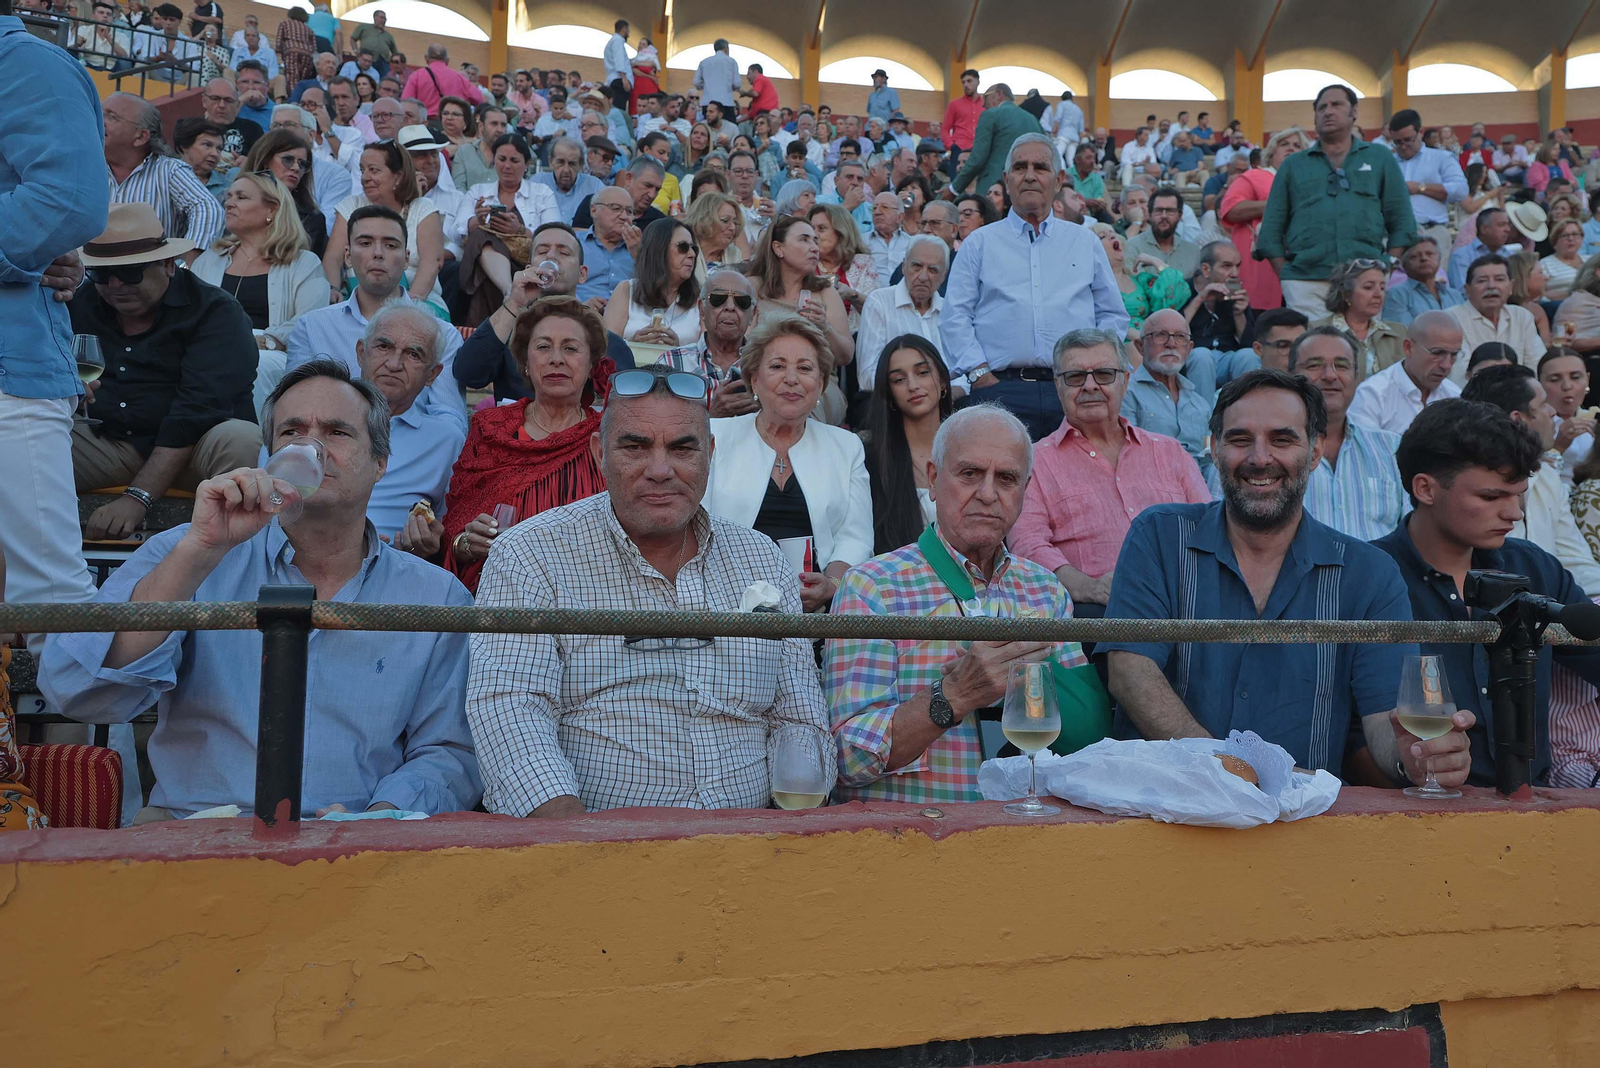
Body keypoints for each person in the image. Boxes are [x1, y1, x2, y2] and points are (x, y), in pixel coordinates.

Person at [41, 360, 481, 819]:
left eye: (337, 432)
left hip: (360, 850)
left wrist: (381, 817)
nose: (312, 447)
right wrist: (200, 550)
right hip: (197, 840)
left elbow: (449, 749)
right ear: (269, 456)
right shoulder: (190, 549)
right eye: (292, 431)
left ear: (380, 464)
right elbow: (77, 689)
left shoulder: (436, 595)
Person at [466, 362, 832, 815]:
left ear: (710, 453)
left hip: (753, 850)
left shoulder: (761, 557)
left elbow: (800, 719)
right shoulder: (529, 554)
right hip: (597, 855)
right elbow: (510, 712)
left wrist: (785, 840)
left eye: (682, 448)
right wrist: (573, 846)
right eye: (635, 447)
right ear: (599, 451)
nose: (660, 470)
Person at [1102, 369, 1445, 780]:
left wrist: (1420, 758)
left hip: (1302, 829)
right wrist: (1226, 771)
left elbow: (1384, 724)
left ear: (1316, 451)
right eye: (1240, 439)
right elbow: (1129, 671)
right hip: (1162, 815)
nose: (1260, 458)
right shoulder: (1159, 535)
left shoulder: (1369, 573)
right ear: (1213, 449)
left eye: (1282, 439)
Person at [827, 404, 1089, 803]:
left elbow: (1082, 738)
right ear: (932, 479)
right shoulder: (871, 588)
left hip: (1024, 838)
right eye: (969, 474)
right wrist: (954, 696)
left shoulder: (1046, 590)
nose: (987, 494)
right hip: (912, 842)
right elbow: (842, 760)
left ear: (1025, 489)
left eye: (1006, 478)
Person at [1373, 398, 1600, 788]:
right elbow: (1348, 739)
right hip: (1414, 821)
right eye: (1491, 497)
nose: (1515, 513)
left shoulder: (1535, 567)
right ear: (1425, 488)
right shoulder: (1370, 578)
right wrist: (1406, 765)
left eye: (1519, 494)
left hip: (1534, 814)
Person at [0, 2, 110, 639]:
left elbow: (66, 200)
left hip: (9, 377)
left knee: (51, 608)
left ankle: (107, 744)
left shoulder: (22, 63)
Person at [68, 204, 260, 540]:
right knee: (21, 437)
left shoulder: (216, 312)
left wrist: (137, 497)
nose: (115, 285)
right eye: (100, 274)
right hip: (108, 439)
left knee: (241, 438)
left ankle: (233, 560)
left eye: (130, 272)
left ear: (168, 265)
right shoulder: (82, 302)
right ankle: (31, 567)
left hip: (196, 452)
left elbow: (196, 413)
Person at [1011, 328, 1208, 615]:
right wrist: (1087, 587)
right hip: (1095, 612)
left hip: (1186, 605)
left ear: (1125, 381)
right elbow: (1027, 545)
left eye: (1104, 374)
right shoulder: (1033, 462)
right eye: (1075, 377)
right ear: (1058, 386)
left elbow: (1210, 528)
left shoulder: (1171, 452)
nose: (1090, 386)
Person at [944, 135, 1127, 441]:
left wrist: (1095, 371)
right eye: (1020, 167)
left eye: (1040, 167)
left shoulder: (1084, 242)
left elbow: (1112, 315)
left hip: (1076, 390)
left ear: (1058, 179)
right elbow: (955, 317)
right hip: (999, 390)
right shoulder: (979, 243)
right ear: (1006, 179)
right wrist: (979, 375)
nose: (1029, 175)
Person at [704, 314, 871, 611]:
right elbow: (694, 524)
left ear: (820, 385)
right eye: (778, 366)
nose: (791, 379)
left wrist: (831, 584)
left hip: (813, 618)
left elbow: (855, 536)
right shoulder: (716, 434)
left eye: (805, 369)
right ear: (754, 379)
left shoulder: (846, 447)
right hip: (722, 608)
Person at [444, 295, 610, 592]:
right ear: (526, 364)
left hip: (589, 595)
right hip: (498, 592)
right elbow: (456, 534)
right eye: (543, 347)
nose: (556, 358)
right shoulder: (490, 429)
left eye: (570, 348)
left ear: (591, 365)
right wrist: (467, 543)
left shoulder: (609, 436)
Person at [1256, 85, 1417, 320]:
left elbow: (1402, 219)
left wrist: (1388, 266)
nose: (1328, 112)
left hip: (1365, 280)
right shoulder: (1293, 165)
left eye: (1336, 105)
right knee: (1312, 354)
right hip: (1305, 282)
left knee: (1362, 353)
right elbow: (1271, 229)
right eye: (1321, 107)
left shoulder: (1379, 158)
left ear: (1354, 112)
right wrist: (1287, 276)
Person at [288, 204, 463, 417]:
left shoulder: (442, 335)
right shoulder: (312, 326)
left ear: (407, 258)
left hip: (415, 446)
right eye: (365, 243)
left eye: (390, 245)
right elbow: (295, 406)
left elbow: (449, 419)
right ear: (348, 256)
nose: (378, 253)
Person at [192, 171, 328, 416]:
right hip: (213, 351)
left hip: (272, 354)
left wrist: (267, 341)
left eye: (241, 197)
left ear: (272, 210)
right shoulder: (209, 259)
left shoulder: (304, 263)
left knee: (255, 364)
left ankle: (257, 446)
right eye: (229, 196)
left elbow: (311, 319)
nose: (229, 202)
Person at [1460, 364, 1600, 594]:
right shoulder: (1464, 483)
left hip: (1551, 609)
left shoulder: (1546, 476)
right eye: (1543, 404)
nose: (1553, 411)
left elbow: (1575, 559)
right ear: (1519, 420)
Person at [456, 222, 634, 402]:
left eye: (564, 252)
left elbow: (626, 404)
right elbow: (468, 373)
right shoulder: (507, 332)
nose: (551, 256)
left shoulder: (608, 342)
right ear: (528, 269)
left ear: (582, 274)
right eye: (542, 251)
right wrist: (514, 302)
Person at [1288, 327, 1406, 541]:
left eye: (1341, 366)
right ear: (1291, 375)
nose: (1330, 375)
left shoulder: (1391, 448)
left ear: (1357, 376)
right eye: (1315, 365)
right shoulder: (1268, 453)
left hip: (1378, 573)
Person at [323, 140, 445, 314]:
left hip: (417, 304)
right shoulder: (351, 206)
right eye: (362, 169)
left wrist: (410, 301)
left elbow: (432, 262)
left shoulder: (423, 209)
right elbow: (333, 257)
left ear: (398, 176)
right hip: (357, 302)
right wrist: (333, 288)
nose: (365, 177)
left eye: (374, 170)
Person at [103, 92, 224, 262]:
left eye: (111, 117)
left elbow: (207, 208)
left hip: (150, 283)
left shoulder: (169, 170)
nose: (98, 120)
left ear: (140, 136)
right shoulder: (83, 167)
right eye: (100, 113)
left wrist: (189, 264)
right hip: (86, 281)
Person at [456, 132, 560, 325]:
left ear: (526, 164)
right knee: (480, 234)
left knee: (484, 275)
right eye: (501, 159)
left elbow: (554, 234)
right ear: (493, 160)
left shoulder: (541, 193)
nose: (507, 166)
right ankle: (508, 291)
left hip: (525, 263)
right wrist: (478, 220)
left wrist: (520, 230)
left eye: (514, 160)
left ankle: (487, 325)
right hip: (486, 263)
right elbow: (459, 229)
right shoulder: (478, 192)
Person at [863, 336, 954, 552]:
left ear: (942, 381)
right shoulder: (872, 460)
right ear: (890, 394)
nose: (913, 386)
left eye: (922, 373)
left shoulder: (971, 448)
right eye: (899, 380)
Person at [746, 213, 854, 377]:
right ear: (778, 248)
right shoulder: (753, 287)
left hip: (815, 381)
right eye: (804, 239)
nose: (815, 248)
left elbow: (845, 357)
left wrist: (825, 327)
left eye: (815, 241)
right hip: (764, 377)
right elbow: (743, 347)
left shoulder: (825, 291)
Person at [1121, 309, 1215, 480]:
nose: (1171, 344)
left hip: (1199, 495)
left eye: (1180, 337)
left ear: (1189, 348)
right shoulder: (1126, 393)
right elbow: (1129, 458)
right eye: (1160, 335)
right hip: (1151, 489)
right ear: (1140, 346)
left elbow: (1207, 460)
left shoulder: (1200, 405)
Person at [855, 234, 951, 398]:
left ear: (944, 275)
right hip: (892, 400)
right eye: (916, 266)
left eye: (933, 270)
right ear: (903, 266)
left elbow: (961, 370)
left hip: (945, 398)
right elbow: (867, 376)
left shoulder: (948, 311)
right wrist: (913, 390)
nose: (922, 277)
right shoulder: (880, 303)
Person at [1346, 309, 1465, 436]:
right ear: (1408, 347)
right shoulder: (1371, 396)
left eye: (1454, 355)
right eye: (1437, 353)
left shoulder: (1454, 395)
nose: (1446, 365)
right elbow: (1367, 453)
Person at [602, 217, 703, 347]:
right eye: (682, 247)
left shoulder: (701, 298)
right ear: (658, 250)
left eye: (693, 249)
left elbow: (708, 356)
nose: (692, 254)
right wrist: (631, 344)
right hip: (632, 366)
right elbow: (606, 350)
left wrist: (679, 352)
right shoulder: (626, 290)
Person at [1447, 255, 1544, 386]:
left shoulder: (1522, 316)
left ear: (1511, 286)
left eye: (1499, 279)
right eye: (1482, 281)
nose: (1491, 286)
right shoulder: (1451, 319)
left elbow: (1538, 366)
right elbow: (1459, 375)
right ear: (1467, 290)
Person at [1387, 108, 1467, 253]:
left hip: (1433, 231)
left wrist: (1421, 188)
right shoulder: (1387, 162)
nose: (1403, 146)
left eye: (1408, 140)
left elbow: (1461, 190)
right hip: (1395, 235)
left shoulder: (1441, 158)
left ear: (1420, 133)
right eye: (1397, 142)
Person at [261, 109, 345, 244]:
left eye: (289, 125)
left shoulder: (335, 175)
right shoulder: (244, 189)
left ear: (311, 134)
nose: (281, 131)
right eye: (276, 126)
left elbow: (326, 229)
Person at [1314, 259, 1405, 376]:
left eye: (1382, 288)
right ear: (1346, 294)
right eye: (1368, 287)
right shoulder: (1316, 331)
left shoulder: (1399, 332)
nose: (1378, 294)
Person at [952, 84, 1043, 197]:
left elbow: (977, 159)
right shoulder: (1033, 120)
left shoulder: (990, 115)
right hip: (1029, 190)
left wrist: (954, 189)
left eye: (985, 97)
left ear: (999, 94)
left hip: (994, 187)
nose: (984, 104)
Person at [808, 201, 878, 331]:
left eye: (821, 228)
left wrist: (852, 295)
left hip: (853, 340)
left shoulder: (863, 263)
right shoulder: (804, 262)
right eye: (811, 229)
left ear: (841, 232)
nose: (814, 235)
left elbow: (877, 310)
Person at [1185, 239, 1255, 354]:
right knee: (1201, 354)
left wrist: (1239, 314)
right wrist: (1199, 300)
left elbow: (1250, 344)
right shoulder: (1182, 290)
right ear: (1206, 269)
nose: (1235, 273)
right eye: (1226, 266)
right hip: (1193, 357)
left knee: (1249, 355)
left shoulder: (1235, 292)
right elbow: (1170, 332)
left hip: (1227, 355)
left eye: (1237, 266)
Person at [1538, 347, 1595, 485]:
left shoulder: (1595, 419)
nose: (1567, 386)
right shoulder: (1531, 424)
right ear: (1539, 383)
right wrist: (1558, 448)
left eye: (1575, 377)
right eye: (1555, 379)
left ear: (1587, 379)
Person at [571, 154, 667, 231]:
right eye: (647, 185)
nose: (652, 195)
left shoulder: (659, 222)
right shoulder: (595, 203)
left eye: (657, 189)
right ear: (629, 178)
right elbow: (577, 239)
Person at [1383, 237, 1465, 325]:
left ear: (1439, 259)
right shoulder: (1398, 294)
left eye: (1429, 254)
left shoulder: (1455, 295)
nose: (1424, 258)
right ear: (1404, 264)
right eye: (1415, 256)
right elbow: (1400, 332)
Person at [532, 136, 605, 225]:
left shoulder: (594, 186)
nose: (566, 170)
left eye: (572, 164)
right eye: (560, 162)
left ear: (581, 165)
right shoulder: (538, 182)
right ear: (550, 162)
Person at [401, 43, 483, 117]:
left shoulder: (416, 76)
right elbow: (479, 99)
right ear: (447, 60)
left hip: (426, 123)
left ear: (426, 58)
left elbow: (405, 102)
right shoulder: (459, 77)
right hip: (453, 124)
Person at [199, 77, 262, 161]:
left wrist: (248, 164)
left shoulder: (253, 129)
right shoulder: (192, 129)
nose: (222, 105)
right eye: (215, 98)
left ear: (237, 104)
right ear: (204, 101)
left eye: (228, 100)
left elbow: (263, 165)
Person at [684, 190, 748, 269]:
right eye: (725, 220)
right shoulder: (684, 253)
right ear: (705, 220)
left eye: (735, 222)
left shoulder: (735, 254)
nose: (733, 227)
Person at [174, 117, 230, 201]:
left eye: (219, 148)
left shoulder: (228, 187)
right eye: (207, 145)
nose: (215, 154)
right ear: (184, 146)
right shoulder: (165, 181)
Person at [941, 68, 984, 175]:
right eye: (963, 82)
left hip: (980, 150)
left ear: (978, 82)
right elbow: (945, 129)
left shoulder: (985, 105)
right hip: (959, 149)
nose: (966, 85)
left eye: (969, 81)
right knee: (956, 183)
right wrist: (951, 146)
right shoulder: (954, 104)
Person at [1540, 219, 1586, 302]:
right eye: (1565, 235)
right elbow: (1539, 296)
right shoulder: (1545, 264)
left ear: (1581, 238)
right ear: (1555, 241)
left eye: (1575, 234)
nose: (1571, 238)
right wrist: (1570, 293)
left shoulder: (1590, 261)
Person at [601, 18, 631, 111]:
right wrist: (624, 79)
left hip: (615, 80)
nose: (628, 33)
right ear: (624, 29)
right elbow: (619, 60)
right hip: (619, 80)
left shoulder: (612, 42)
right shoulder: (618, 40)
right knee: (618, 109)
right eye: (628, 30)